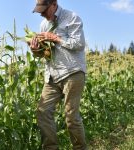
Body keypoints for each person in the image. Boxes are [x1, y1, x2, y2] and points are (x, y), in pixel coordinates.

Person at [30, 0, 87, 149]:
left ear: (54, 4)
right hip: (52, 76)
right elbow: (44, 54)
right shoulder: (44, 25)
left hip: (72, 72)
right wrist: (36, 50)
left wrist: (55, 38)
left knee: (71, 116)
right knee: (42, 112)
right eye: (39, 10)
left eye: (43, 9)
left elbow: (79, 43)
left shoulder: (72, 17)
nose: (41, 13)